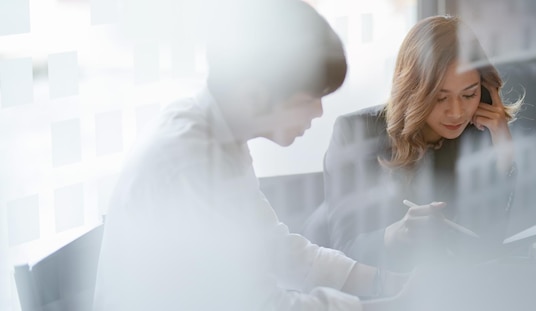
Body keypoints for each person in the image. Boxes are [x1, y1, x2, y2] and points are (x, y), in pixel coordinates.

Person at [93, 1, 415, 310]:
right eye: (309, 98)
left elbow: (276, 249)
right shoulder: (190, 160)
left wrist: (382, 282)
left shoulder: (220, 137)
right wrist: (391, 305)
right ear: (253, 96)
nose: (318, 112)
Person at [303, 15, 523, 272]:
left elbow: (487, 240)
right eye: (440, 98)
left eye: (469, 94)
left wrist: (503, 148)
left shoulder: (478, 130)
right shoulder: (355, 132)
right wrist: (397, 235)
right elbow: (345, 246)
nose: (456, 112)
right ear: (413, 91)